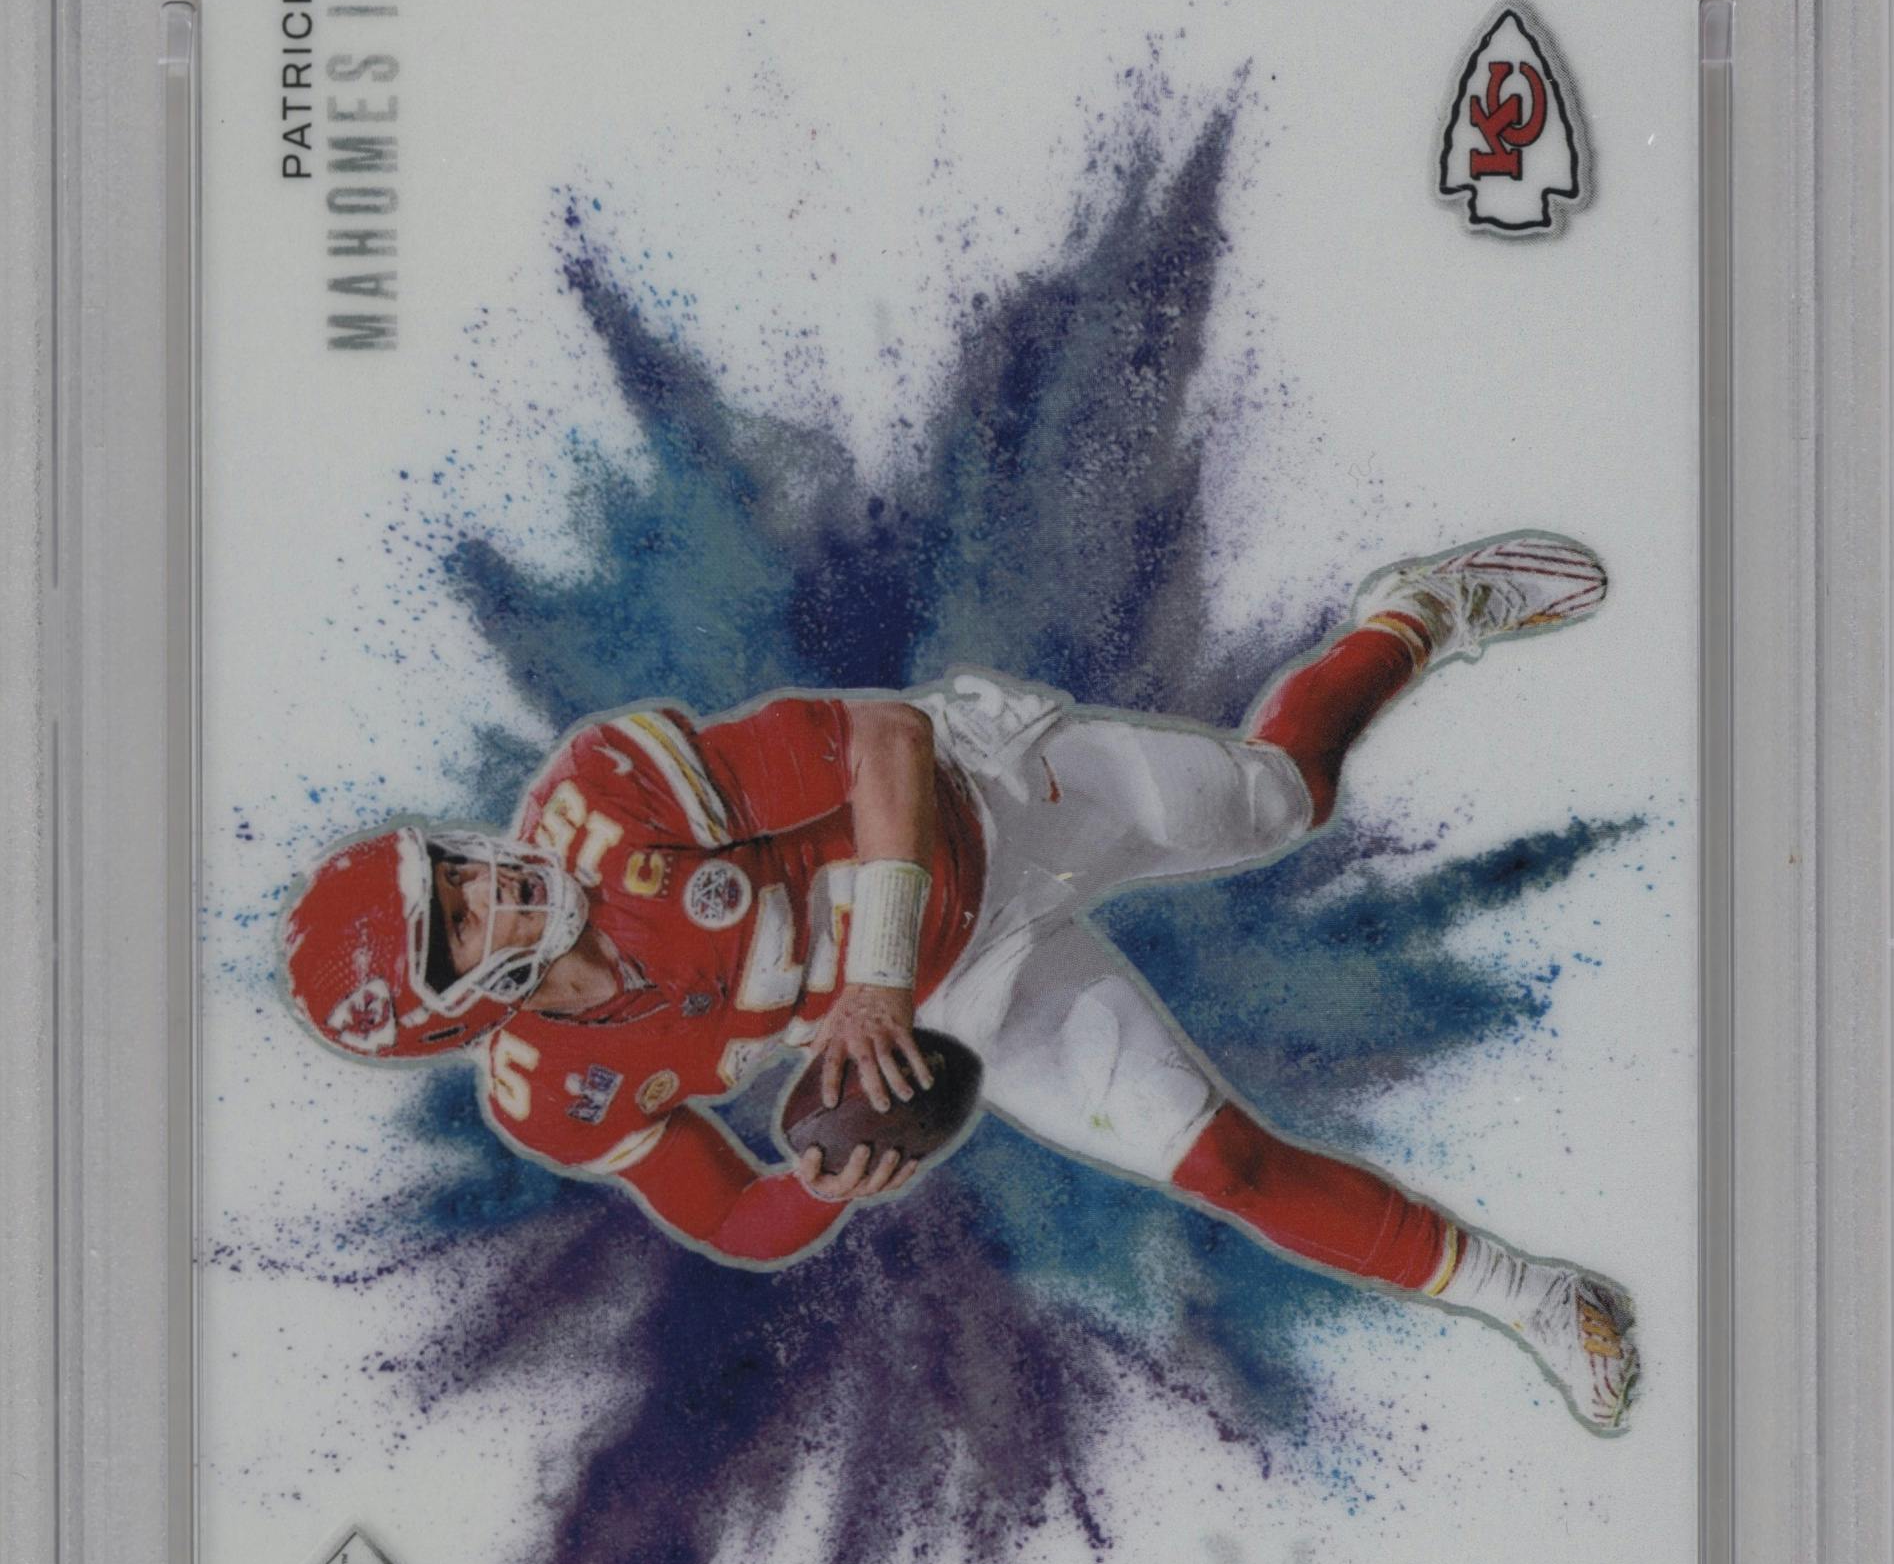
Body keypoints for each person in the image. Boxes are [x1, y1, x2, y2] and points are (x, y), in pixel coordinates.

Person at [283, 532, 1638, 1432]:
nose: (488, 884)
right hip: (970, 989)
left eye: (449, 870)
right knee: (1221, 1165)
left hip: (990, 802)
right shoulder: (553, 1091)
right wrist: (826, 1179)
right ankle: (1529, 1296)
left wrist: (871, 975)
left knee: (1283, 798)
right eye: (457, 926)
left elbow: (881, 741)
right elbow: (734, 1215)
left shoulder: (603, 795)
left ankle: (1418, 610)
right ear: (458, 1012)